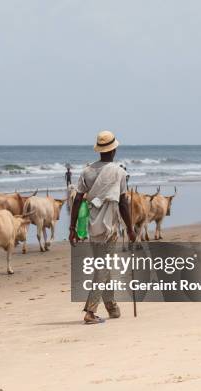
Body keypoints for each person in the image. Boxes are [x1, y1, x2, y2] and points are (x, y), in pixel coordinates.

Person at [69, 130, 136, 324]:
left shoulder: (87, 171)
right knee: (103, 268)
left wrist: (72, 228)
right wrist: (131, 229)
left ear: (100, 150)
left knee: (103, 266)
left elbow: (77, 200)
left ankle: (112, 307)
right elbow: (123, 203)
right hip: (110, 226)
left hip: (92, 225)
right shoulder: (119, 172)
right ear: (114, 149)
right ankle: (90, 311)